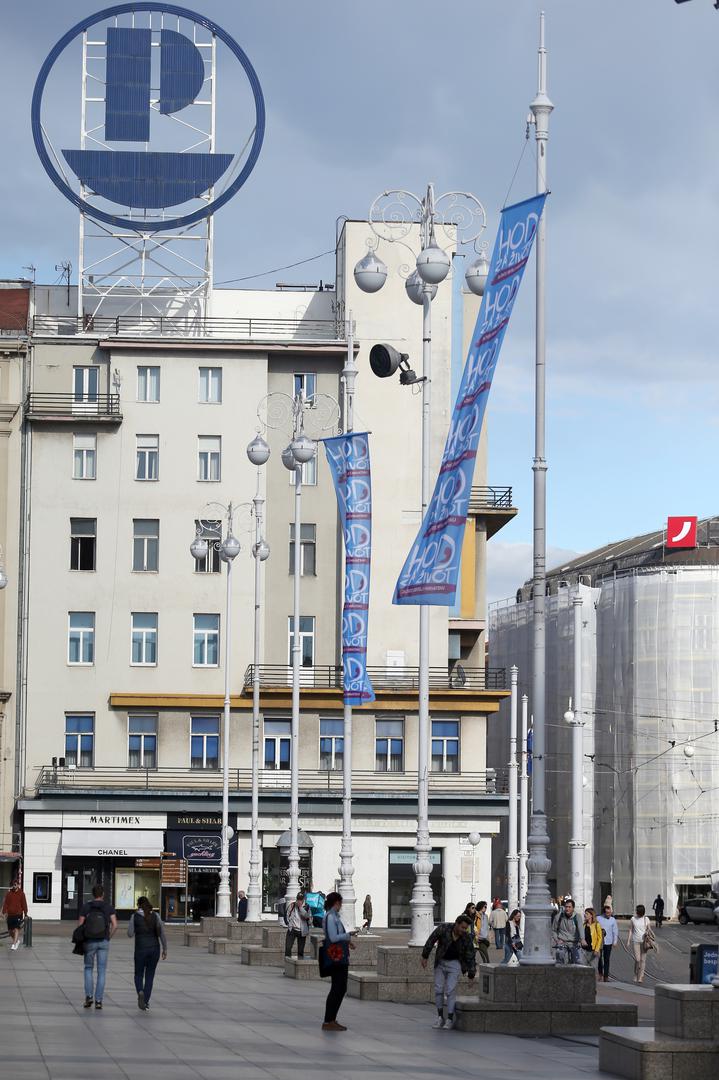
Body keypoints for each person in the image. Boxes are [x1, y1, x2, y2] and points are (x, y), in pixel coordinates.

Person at [421, 914, 476, 1029]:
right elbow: (431, 939)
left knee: (451, 990)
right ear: (456, 924)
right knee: (438, 989)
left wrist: (471, 974)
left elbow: (470, 955)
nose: (463, 930)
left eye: (465, 928)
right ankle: (440, 1017)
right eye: (462, 927)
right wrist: (425, 956)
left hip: (455, 964)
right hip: (441, 962)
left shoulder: (466, 937)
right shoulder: (444, 928)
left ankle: (450, 1019)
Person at [78, 883, 117, 1009]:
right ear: (103, 894)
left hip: (90, 941)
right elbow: (115, 925)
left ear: (93, 894)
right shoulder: (108, 907)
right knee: (102, 971)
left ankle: (89, 997)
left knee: (88, 968)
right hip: (103, 941)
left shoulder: (86, 907)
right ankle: (99, 1000)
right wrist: (108, 937)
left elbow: (80, 925)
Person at [321, 892, 356, 1031]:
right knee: (338, 988)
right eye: (340, 903)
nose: (341, 906)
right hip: (335, 956)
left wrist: (348, 941)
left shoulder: (334, 916)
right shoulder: (330, 917)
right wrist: (348, 935)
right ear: (336, 903)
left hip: (339, 955)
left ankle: (332, 1019)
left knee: (340, 988)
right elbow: (334, 937)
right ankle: (328, 1020)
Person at [127, 896, 167, 1011]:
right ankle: (145, 1001)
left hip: (140, 949)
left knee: (138, 974)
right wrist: (165, 949)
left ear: (138, 905)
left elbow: (130, 934)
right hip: (154, 949)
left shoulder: (134, 917)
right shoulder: (156, 916)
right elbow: (162, 934)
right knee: (150, 976)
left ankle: (140, 991)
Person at [628, 903, 653, 984]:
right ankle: (635, 974)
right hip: (636, 941)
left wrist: (647, 931)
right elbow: (630, 930)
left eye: (637, 911)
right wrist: (628, 940)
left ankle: (641, 977)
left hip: (644, 942)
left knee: (643, 960)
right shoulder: (633, 919)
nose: (636, 912)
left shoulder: (646, 919)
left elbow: (649, 929)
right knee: (637, 959)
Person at [552, 897, 582, 965]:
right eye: (566, 907)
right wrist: (557, 940)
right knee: (559, 960)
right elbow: (553, 930)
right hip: (562, 942)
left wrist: (582, 939)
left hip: (574, 943)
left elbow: (581, 929)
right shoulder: (558, 917)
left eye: (569, 907)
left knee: (577, 962)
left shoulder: (577, 917)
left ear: (573, 908)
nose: (567, 909)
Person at [2, 880, 27, 951]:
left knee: (16, 929)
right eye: (13, 884)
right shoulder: (9, 894)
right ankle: (16, 941)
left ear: (18, 885)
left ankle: (13, 944)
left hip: (18, 914)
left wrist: (25, 913)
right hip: (10, 914)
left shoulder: (21, 894)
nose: (14, 885)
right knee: (10, 931)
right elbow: (6, 903)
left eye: (15, 884)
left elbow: (24, 904)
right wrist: (4, 912)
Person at [285, 891, 311, 958]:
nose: (299, 901)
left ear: (303, 900)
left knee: (300, 951)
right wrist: (289, 924)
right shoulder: (292, 905)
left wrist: (300, 908)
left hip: (302, 931)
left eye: (301, 900)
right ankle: (288, 963)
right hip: (292, 929)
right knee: (288, 948)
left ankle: (299, 965)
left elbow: (308, 918)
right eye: (298, 899)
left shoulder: (307, 906)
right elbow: (286, 915)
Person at [597, 903, 619, 983]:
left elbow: (615, 931)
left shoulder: (613, 920)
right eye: (607, 913)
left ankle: (606, 976)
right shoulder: (598, 918)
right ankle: (600, 973)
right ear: (604, 912)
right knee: (599, 958)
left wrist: (615, 941)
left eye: (610, 913)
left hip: (608, 942)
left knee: (607, 959)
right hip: (599, 942)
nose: (609, 914)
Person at [580, 907, 603, 972]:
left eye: (586, 914)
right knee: (583, 968)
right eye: (585, 913)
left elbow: (600, 938)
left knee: (593, 969)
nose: (585, 915)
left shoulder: (596, 925)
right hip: (584, 951)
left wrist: (596, 950)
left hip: (593, 951)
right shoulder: (584, 925)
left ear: (591, 915)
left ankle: (594, 982)